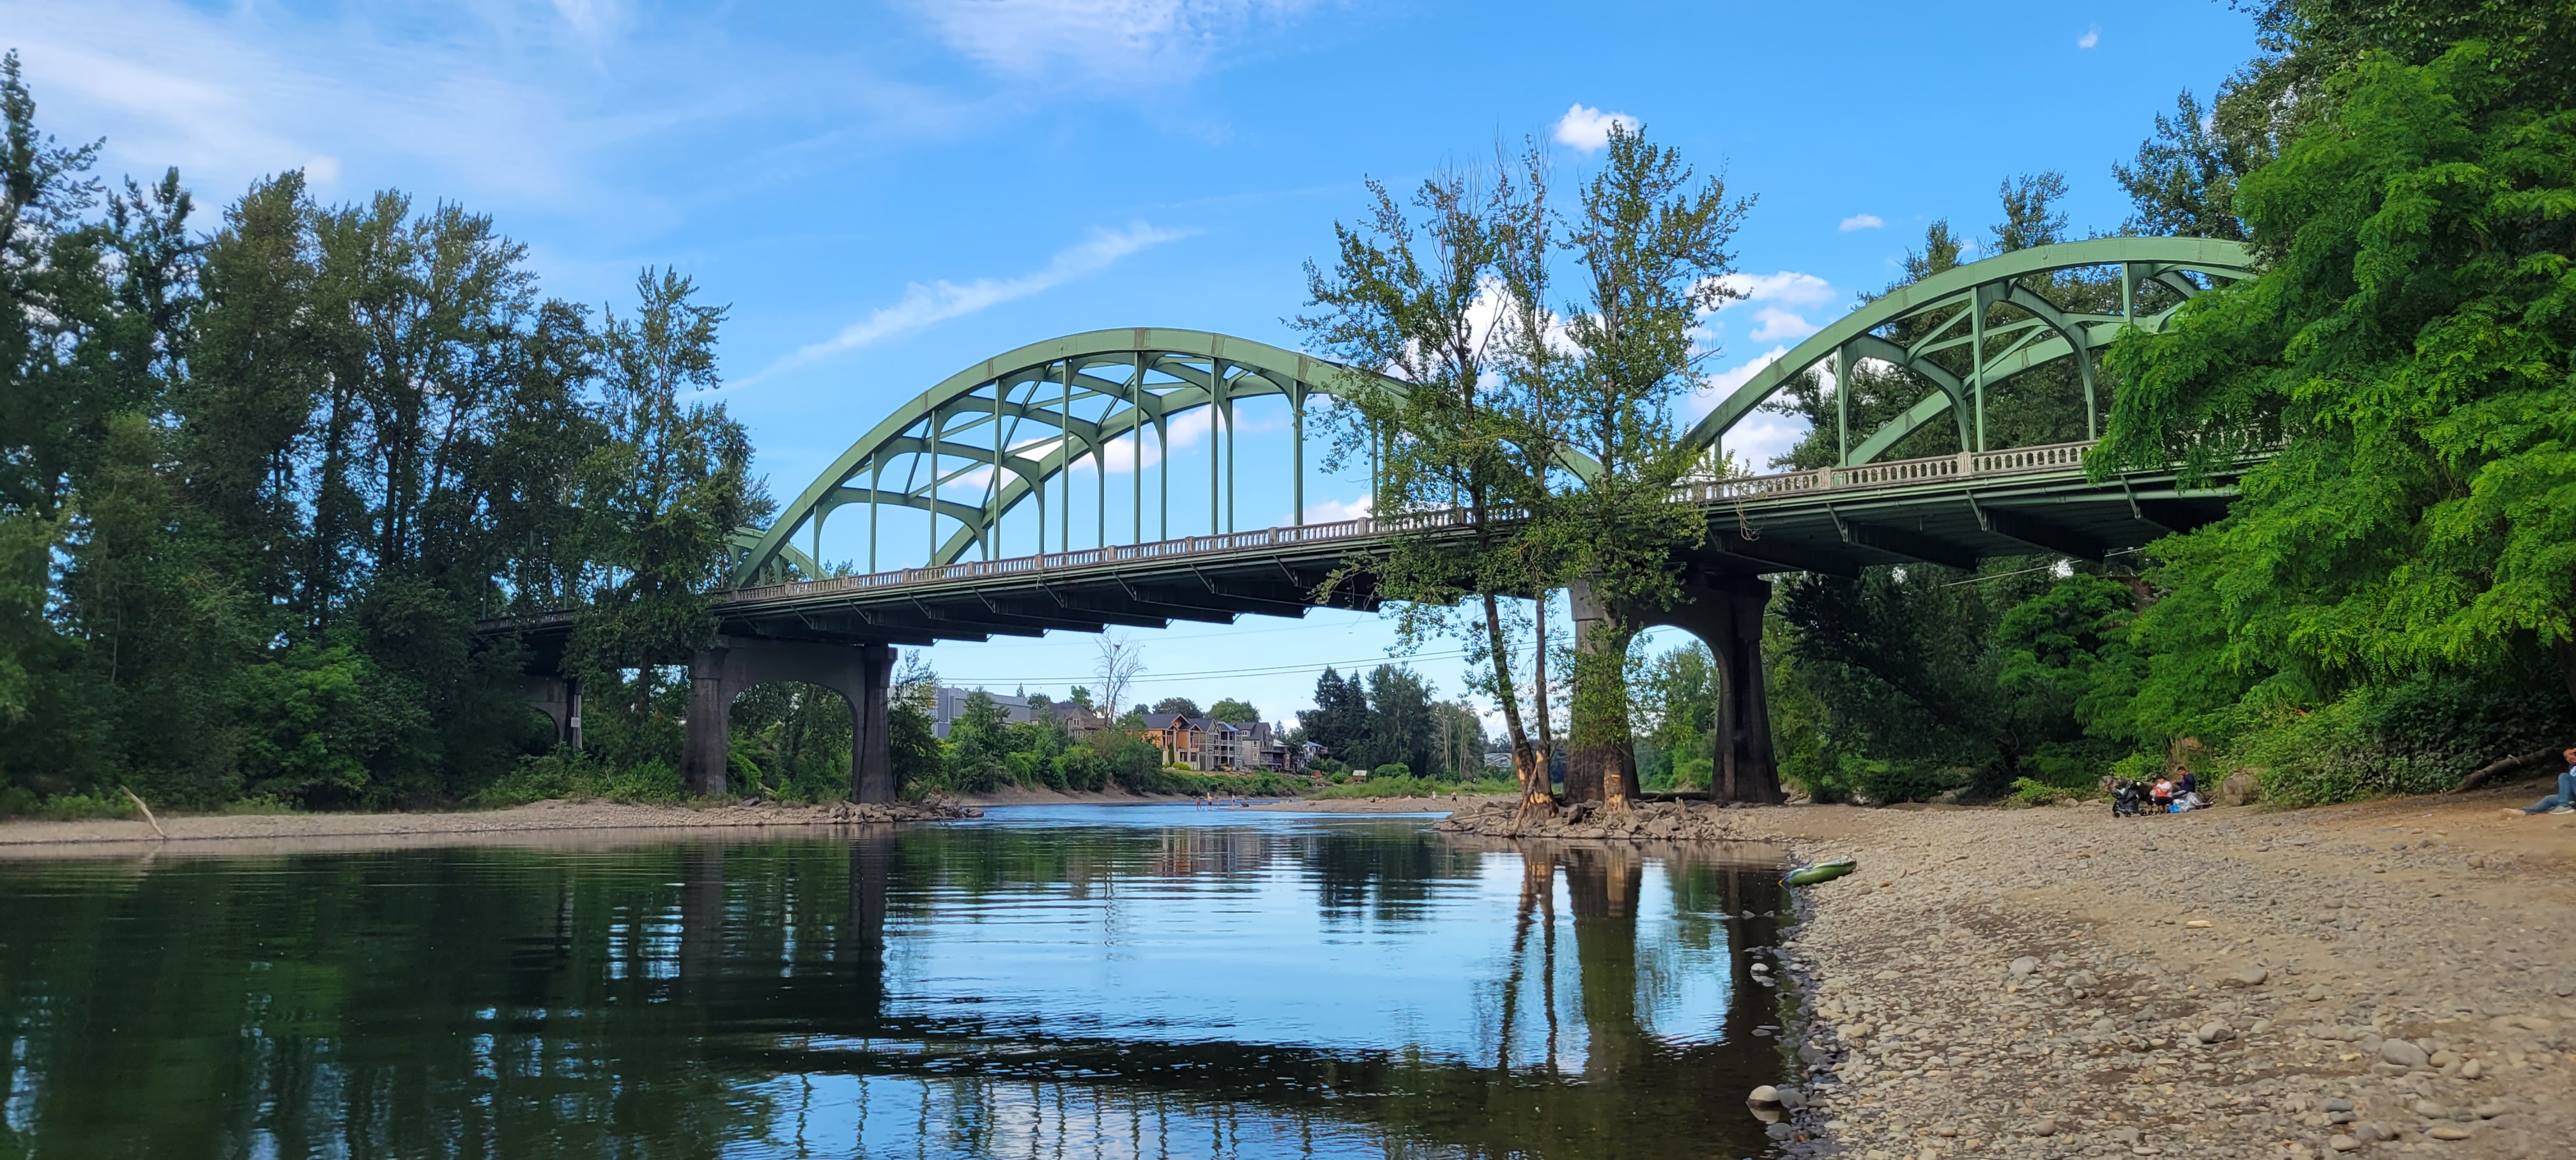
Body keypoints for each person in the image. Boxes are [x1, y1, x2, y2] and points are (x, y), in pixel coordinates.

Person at [2512, 747, 2576, 816]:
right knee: (2549, 799)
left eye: (2572, 755)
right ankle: (2525, 812)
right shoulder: (2572, 768)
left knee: (2564, 776)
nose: (2568, 758)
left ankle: (2564, 806)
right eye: (2566, 757)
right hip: (2573, 796)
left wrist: (2573, 752)